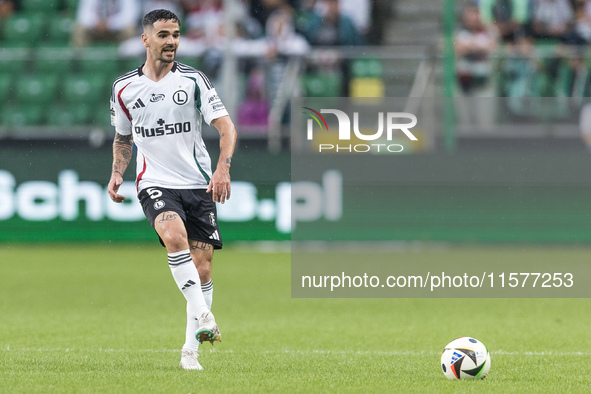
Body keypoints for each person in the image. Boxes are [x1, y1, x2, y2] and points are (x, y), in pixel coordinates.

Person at [107, 9, 237, 371]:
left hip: (197, 185)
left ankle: (189, 351)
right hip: (154, 181)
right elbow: (123, 137)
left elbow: (228, 129)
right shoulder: (123, 88)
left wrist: (222, 167)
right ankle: (205, 316)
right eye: (164, 35)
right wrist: (118, 172)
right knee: (173, 236)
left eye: (176, 35)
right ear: (145, 39)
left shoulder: (194, 80)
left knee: (204, 268)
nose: (172, 42)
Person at [72, 0, 141, 47]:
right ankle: (79, 62)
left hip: (116, 31)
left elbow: (130, 17)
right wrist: (96, 23)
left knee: (130, 29)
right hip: (95, 30)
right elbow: (83, 16)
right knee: (79, 29)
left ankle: (127, 63)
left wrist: (109, 23)